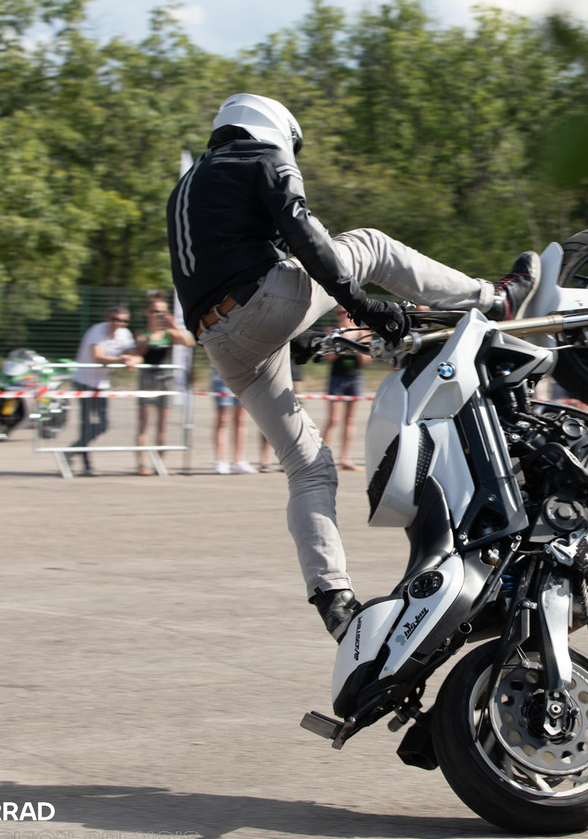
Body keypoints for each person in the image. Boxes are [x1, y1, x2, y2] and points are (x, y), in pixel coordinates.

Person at [168, 93, 540, 640]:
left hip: (220, 339)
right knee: (369, 245)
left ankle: (334, 600)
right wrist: (364, 304)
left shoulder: (192, 185)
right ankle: (491, 298)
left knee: (310, 465)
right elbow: (303, 234)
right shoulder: (262, 159)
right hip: (257, 307)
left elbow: (220, 267)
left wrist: (298, 336)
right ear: (275, 130)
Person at [133, 292, 196, 476]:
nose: (157, 315)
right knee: (144, 423)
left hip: (164, 379)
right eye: (154, 311)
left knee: (162, 424)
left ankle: (159, 463)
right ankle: (141, 465)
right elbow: (138, 351)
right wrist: (147, 339)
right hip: (146, 378)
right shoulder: (142, 334)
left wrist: (173, 326)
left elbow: (189, 342)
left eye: (161, 312)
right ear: (147, 312)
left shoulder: (169, 333)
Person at [72, 306, 137, 476]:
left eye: (123, 321)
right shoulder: (97, 331)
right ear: (108, 318)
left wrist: (131, 359)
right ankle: (86, 464)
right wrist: (121, 360)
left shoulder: (125, 334)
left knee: (103, 424)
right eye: (115, 319)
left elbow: (132, 353)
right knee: (86, 423)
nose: (119, 324)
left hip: (101, 382)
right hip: (84, 380)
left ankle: (70, 452)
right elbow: (98, 357)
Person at [319, 307, 370, 471]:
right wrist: (340, 341)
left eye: (346, 312)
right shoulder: (332, 332)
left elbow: (365, 360)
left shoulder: (363, 333)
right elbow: (329, 358)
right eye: (340, 313)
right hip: (337, 378)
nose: (344, 315)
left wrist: (356, 344)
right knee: (333, 419)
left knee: (350, 420)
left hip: (354, 378)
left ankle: (345, 459)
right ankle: (324, 458)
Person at [209, 366, 251, 474]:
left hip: (244, 376)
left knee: (240, 419)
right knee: (223, 419)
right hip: (222, 375)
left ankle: (239, 460)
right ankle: (220, 460)